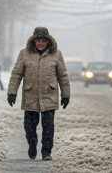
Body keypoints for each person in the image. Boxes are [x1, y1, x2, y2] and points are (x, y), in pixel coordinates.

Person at [7, 27, 70, 161]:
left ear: (48, 41)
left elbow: (63, 76)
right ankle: (32, 145)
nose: (40, 43)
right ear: (34, 41)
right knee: (29, 127)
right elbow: (17, 74)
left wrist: (66, 95)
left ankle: (46, 151)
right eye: (38, 40)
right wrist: (12, 92)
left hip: (49, 95)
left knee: (48, 127)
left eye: (43, 41)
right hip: (30, 96)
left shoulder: (56, 54)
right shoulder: (24, 54)